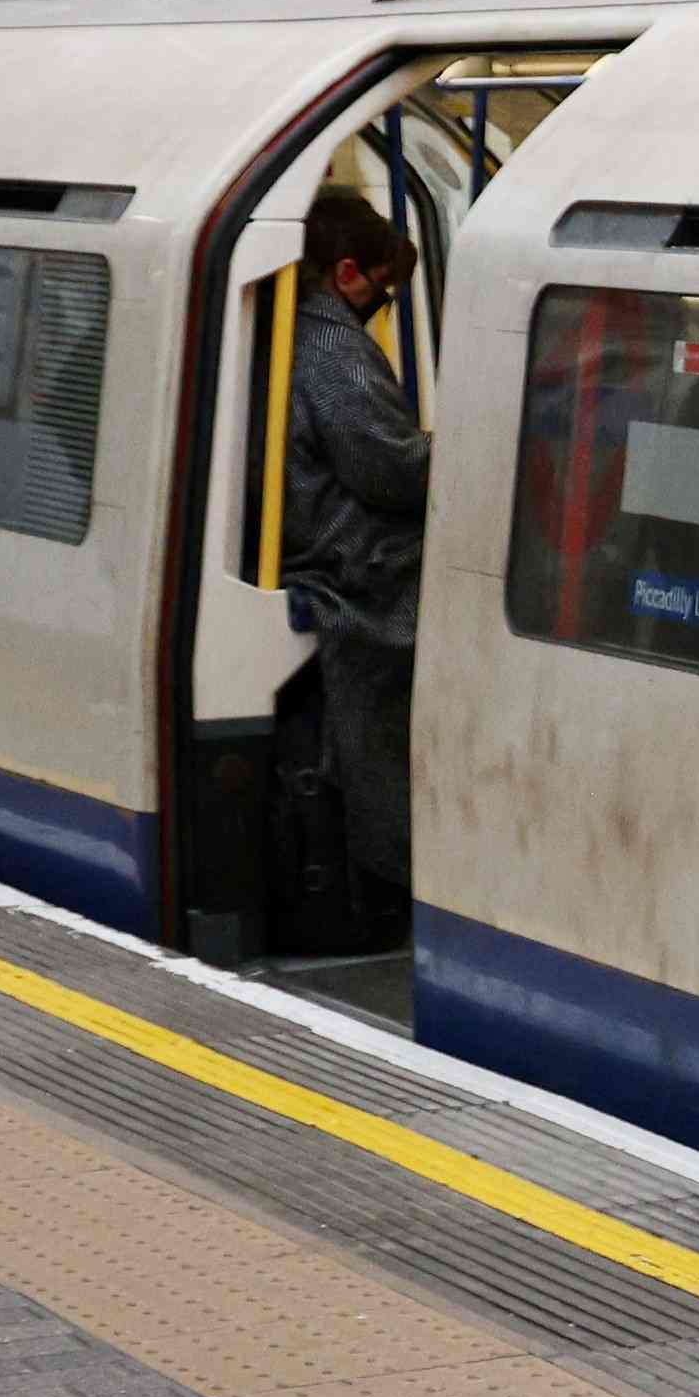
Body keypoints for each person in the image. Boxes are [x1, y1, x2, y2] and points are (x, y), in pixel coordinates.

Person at [279, 194, 428, 919]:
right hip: (355, 562)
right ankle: (399, 853)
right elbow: (392, 472)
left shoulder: (282, 326)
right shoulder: (331, 346)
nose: (382, 304)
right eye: (382, 288)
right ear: (346, 272)